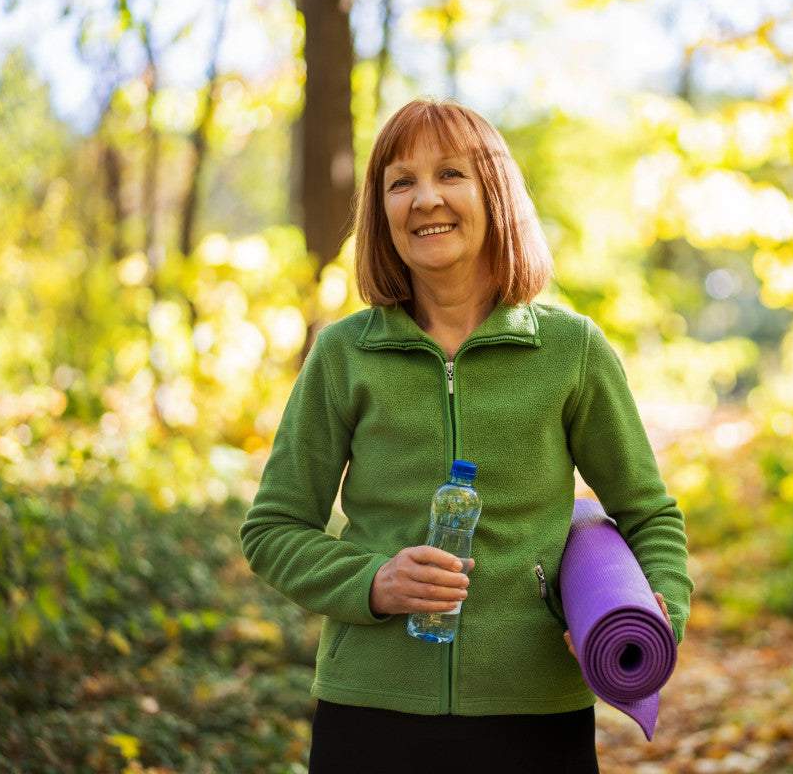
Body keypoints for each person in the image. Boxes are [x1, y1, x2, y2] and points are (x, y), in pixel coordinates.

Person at [240, 98, 692, 772]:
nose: (425, 199)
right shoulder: (343, 354)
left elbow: (648, 512)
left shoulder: (572, 350)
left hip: (533, 714)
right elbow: (273, 528)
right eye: (401, 182)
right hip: (370, 711)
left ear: (495, 193)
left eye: (451, 174)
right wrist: (374, 581)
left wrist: (658, 613)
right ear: (381, 211)